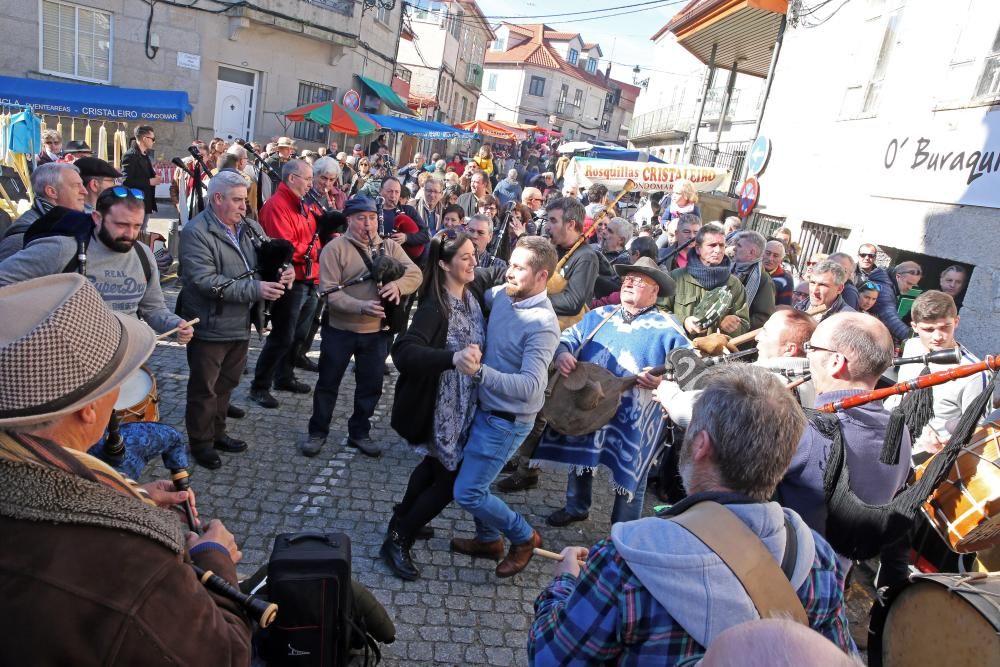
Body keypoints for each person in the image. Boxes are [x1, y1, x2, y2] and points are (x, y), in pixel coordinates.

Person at [0, 273, 253, 665]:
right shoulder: (133, 560)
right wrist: (215, 559)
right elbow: (224, 657)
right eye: (120, 378)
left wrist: (129, 498)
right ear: (89, 409)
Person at [529, 364, 855, 665]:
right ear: (783, 462)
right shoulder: (815, 558)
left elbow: (551, 658)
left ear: (700, 446)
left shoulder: (623, 560)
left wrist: (564, 583)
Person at [536, 258, 690, 528]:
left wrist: (664, 379)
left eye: (639, 280)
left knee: (631, 469)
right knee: (582, 447)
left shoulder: (668, 327)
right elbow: (567, 338)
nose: (629, 282)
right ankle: (576, 506)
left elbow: (690, 369)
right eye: (628, 278)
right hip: (588, 403)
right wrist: (562, 354)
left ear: (655, 292)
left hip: (637, 415)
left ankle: (624, 527)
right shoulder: (599, 315)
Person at [448, 236, 561, 578]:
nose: (508, 272)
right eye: (509, 264)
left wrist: (480, 373)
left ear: (542, 277)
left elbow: (531, 387)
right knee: (473, 481)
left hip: (507, 421)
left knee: (468, 492)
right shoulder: (501, 296)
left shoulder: (542, 325)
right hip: (485, 410)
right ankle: (487, 540)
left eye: (519, 268)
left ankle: (523, 537)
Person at [381, 231, 485, 580]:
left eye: (474, 254)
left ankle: (403, 515)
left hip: (464, 405)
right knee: (450, 481)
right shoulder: (435, 306)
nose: (474, 261)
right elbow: (404, 351)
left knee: (432, 466)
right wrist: (451, 358)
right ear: (443, 264)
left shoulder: (471, 296)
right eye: (466, 257)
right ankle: (398, 538)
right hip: (441, 408)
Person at [776, 312, 911, 569]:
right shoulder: (900, 432)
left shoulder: (806, 430)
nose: (808, 357)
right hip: (835, 581)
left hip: (779, 579)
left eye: (812, 348)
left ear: (836, 361)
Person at [179, 170, 294, 469]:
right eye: (239, 200)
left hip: (240, 322)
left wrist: (285, 268)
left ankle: (218, 433)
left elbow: (270, 255)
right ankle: (201, 443)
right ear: (217, 199)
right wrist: (255, 288)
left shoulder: (249, 226)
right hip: (209, 323)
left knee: (227, 384)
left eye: (246, 199)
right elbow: (204, 280)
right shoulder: (195, 232)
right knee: (204, 389)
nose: (245, 206)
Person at [300, 195, 422, 458]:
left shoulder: (389, 247)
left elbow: (415, 273)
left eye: (371, 218)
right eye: (360, 218)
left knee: (371, 385)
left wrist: (397, 286)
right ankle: (317, 431)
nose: (368, 224)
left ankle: (359, 432)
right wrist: (360, 306)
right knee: (328, 383)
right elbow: (329, 292)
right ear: (348, 220)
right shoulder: (335, 249)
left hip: (376, 333)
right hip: (340, 330)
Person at [0, 187, 192, 341]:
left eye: (137, 226)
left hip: (124, 360)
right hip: (68, 364)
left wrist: (175, 325)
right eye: (121, 225)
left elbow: (153, 309)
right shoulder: (61, 248)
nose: (130, 234)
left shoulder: (143, 254)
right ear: (97, 218)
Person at [657, 309, 819, 421]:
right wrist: (724, 356)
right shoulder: (809, 377)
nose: (758, 337)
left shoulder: (773, 385)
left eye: (766, 332)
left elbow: (703, 411)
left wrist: (668, 393)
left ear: (789, 349)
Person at [248, 159, 320, 410]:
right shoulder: (276, 206)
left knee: (298, 334)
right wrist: (311, 252)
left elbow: (312, 236)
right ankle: (260, 385)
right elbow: (283, 245)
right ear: (292, 179)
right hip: (291, 280)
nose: (311, 185)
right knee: (282, 335)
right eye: (308, 179)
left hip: (309, 277)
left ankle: (284, 376)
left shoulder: (302, 204)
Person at [885, 290, 992, 452]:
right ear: (914, 326)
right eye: (929, 329)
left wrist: (946, 444)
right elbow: (899, 394)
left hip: (926, 458)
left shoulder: (975, 373)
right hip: (889, 439)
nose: (937, 336)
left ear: (956, 322)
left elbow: (979, 430)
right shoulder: (912, 346)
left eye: (945, 327)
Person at [663, 223, 750, 339]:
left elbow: (744, 326)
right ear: (698, 249)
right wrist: (684, 322)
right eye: (712, 245)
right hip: (679, 349)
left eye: (721, 245)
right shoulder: (677, 277)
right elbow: (659, 311)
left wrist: (731, 326)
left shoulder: (734, 285)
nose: (718, 250)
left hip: (713, 354)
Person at [0, 162, 87, 262]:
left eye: (82, 185)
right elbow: (5, 276)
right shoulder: (21, 238)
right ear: (52, 192)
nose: (84, 191)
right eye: (76, 186)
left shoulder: (72, 223)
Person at [854, 243, 910, 340]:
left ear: (875, 257)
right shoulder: (850, 272)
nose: (867, 258)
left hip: (876, 321)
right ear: (858, 256)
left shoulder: (885, 275)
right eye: (863, 255)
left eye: (871, 255)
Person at [379, 176, 430, 264]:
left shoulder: (408, 211)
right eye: (389, 191)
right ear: (380, 191)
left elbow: (425, 235)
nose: (393, 196)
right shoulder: (372, 212)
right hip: (380, 260)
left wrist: (406, 237)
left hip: (406, 262)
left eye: (397, 192)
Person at [731, 230, 775, 331]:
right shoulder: (730, 268)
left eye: (739, 246)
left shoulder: (763, 280)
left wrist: (736, 326)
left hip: (738, 339)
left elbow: (763, 317)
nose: (734, 248)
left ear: (752, 252)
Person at [120, 126, 159, 229]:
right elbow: (126, 181)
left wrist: (154, 177)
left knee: (142, 233)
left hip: (145, 203)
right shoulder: (130, 155)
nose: (153, 142)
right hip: (135, 204)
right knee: (136, 234)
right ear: (145, 139)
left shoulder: (144, 155)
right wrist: (149, 181)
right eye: (153, 139)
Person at [593, 216, 632, 299]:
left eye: (609, 231)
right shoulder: (594, 248)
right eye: (606, 228)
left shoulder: (624, 263)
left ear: (621, 240)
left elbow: (611, 288)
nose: (604, 231)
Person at [764, 239, 794, 305]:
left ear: (781, 260)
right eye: (768, 253)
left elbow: (783, 307)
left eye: (775, 256)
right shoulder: (751, 269)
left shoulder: (786, 279)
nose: (770, 258)